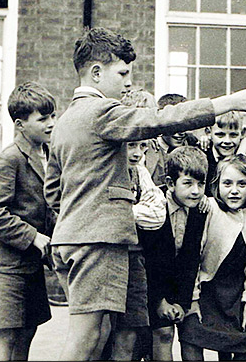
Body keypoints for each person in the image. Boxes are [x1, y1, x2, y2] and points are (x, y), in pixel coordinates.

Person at [44, 26, 246, 360]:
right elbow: (160, 119)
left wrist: (82, 216)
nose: (128, 82)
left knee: (106, 334)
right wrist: (224, 103)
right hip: (99, 241)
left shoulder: (65, 120)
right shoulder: (101, 111)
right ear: (96, 72)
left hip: (86, 239)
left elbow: (53, 191)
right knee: (85, 338)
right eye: (123, 73)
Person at [0, 81, 57, 360]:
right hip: (7, 265)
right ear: (20, 124)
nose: (50, 124)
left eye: (52, 116)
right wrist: (33, 236)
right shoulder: (9, 159)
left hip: (31, 263)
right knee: (8, 335)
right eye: (42, 118)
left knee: (27, 332)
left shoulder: (47, 154)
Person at [179, 154, 246, 361]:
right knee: (191, 333)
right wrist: (192, 300)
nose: (234, 190)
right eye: (227, 183)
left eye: (242, 184)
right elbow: (194, 258)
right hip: (205, 289)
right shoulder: (208, 208)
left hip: (237, 292)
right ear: (217, 184)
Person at [141, 146, 210, 361]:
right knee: (163, 333)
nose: (196, 191)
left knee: (189, 333)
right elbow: (149, 261)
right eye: (188, 183)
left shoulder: (199, 210)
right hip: (150, 285)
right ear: (170, 184)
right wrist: (160, 301)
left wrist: (181, 302)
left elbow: (191, 260)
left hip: (179, 287)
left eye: (201, 184)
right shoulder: (155, 207)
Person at [106, 137, 167, 360]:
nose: (138, 153)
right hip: (105, 257)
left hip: (134, 257)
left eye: (143, 147)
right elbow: (101, 212)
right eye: (132, 145)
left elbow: (158, 215)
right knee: (99, 333)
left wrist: (125, 212)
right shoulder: (104, 171)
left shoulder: (140, 173)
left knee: (129, 334)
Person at [144, 93, 199, 186]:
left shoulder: (192, 143)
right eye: (174, 126)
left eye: (185, 125)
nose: (181, 132)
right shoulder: (148, 149)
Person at [204, 111, 246, 196]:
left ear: (242, 133)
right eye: (220, 135)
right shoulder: (202, 158)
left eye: (233, 135)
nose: (227, 141)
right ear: (209, 132)